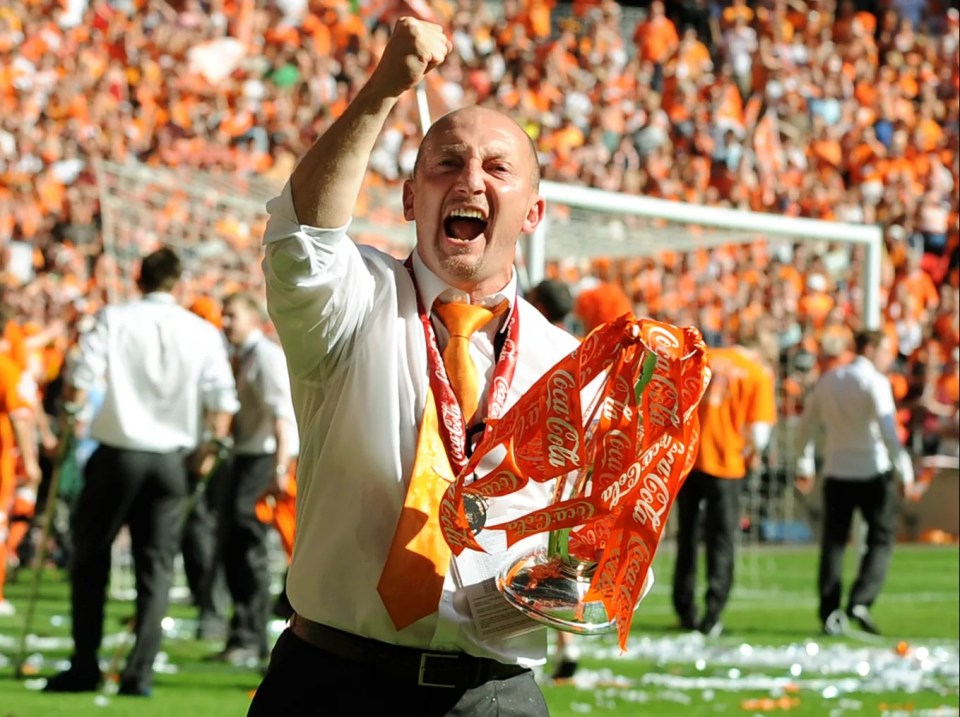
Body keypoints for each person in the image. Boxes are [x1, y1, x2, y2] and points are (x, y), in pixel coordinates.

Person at [249, 17, 585, 717]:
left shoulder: (567, 366)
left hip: (494, 695)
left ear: (534, 211)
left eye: (497, 168)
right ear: (410, 199)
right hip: (330, 683)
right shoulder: (354, 301)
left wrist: (555, 587)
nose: (470, 178)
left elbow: (594, 556)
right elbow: (303, 235)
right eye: (446, 163)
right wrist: (385, 88)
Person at [43, 247, 239, 696]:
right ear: (178, 284)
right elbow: (223, 401)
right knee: (156, 567)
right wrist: (207, 452)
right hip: (170, 459)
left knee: (90, 559)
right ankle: (139, 673)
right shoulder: (201, 331)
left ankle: (85, 663)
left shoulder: (116, 318)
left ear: (139, 279)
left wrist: (72, 416)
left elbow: (83, 371)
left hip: (119, 452)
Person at [795, 329, 916, 636]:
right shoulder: (874, 381)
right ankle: (861, 598)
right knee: (882, 537)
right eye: (886, 350)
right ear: (872, 348)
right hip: (871, 471)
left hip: (837, 470)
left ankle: (830, 610)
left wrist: (804, 462)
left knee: (834, 544)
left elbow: (806, 426)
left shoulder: (829, 380)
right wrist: (905, 472)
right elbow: (889, 432)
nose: (889, 357)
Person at [209, 291, 298, 666]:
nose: (225, 322)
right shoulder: (240, 356)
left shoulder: (264, 356)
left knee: (249, 548)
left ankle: (251, 636)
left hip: (261, 459)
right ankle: (241, 633)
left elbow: (283, 415)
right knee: (235, 546)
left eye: (232, 316)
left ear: (253, 320)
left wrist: (279, 467)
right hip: (246, 456)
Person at [672, 339, 776, 637]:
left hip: (690, 458)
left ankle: (684, 608)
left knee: (688, 537)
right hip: (727, 462)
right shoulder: (756, 373)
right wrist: (752, 453)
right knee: (721, 540)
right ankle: (713, 612)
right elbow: (760, 432)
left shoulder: (706, 358)